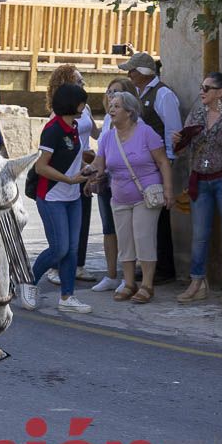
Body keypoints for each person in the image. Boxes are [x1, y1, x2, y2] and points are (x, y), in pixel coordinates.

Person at [172, 72, 222, 306]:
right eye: (202, 87)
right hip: (200, 179)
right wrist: (177, 141)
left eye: (207, 88)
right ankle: (197, 282)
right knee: (199, 235)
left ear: (221, 92)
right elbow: (180, 150)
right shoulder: (196, 114)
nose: (202, 91)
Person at [90, 91, 174, 304]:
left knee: (143, 238)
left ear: (129, 112)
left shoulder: (146, 133)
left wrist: (168, 190)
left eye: (117, 106)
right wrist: (88, 172)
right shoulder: (108, 137)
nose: (111, 109)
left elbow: (163, 162)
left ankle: (147, 284)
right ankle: (129, 283)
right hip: (119, 196)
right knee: (125, 241)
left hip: (145, 195)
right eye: (111, 105)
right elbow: (100, 164)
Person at [19, 82, 92, 314]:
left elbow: (72, 156)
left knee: (72, 249)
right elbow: (41, 167)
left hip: (73, 197)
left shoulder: (74, 126)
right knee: (59, 248)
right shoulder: (53, 129)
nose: (85, 104)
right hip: (52, 196)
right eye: (82, 100)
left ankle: (67, 296)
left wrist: (86, 165)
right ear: (72, 103)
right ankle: (29, 281)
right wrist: (69, 180)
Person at [121, 51, 182, 284]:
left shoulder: (163, 95)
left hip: (156, 163)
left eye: (132, 71)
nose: (129, 75)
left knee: (158, 218)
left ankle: (164, 268)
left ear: (144, 73)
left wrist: (168, 160)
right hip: (144, 163)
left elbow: (172, 130)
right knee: (146, 217)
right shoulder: (140, 93)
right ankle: (151, 265)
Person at [44, 65, 97, 287]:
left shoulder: (85, 109)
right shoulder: (56, 116)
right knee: (63, 224)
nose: (83, 84)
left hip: (84, 167)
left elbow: (95, 132)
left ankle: (79, 265)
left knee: (83, 217)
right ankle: (55, 267)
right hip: (66, 170)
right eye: (78, 81)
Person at [88, 78, 138, 293]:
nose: (111, 97)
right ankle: (110, 275)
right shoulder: (108, 122)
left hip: (125, 181)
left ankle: (129, 278)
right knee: (109, 229)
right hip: (106, 179)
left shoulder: (137, 127)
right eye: (109, 92)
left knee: (128, 230)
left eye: (116, 93)